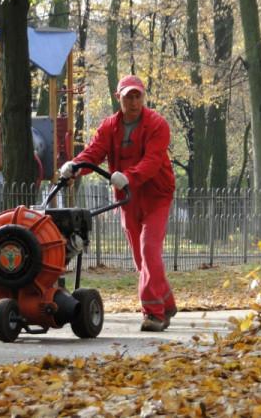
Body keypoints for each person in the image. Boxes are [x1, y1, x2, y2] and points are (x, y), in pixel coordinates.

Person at [60, 74, 177, 332]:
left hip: (156, 195)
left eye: (138, 96)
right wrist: (75, 166)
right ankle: (167, 302)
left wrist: (129, 176)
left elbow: (153, 160)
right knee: (140, 257)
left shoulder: (157, 124)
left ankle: (154, 313)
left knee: (148, 249)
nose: (134, 102)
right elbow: (94, 152)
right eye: (128, 97)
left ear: (143, 97)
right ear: (118, 98)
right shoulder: (109, 126)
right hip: (127, 198)